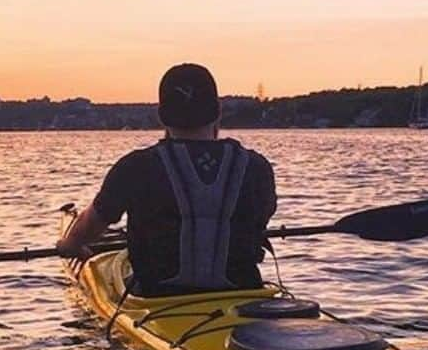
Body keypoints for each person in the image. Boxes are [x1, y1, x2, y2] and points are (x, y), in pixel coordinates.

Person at [57, 63, 277, 295]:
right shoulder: (257, 167)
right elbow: (262, 217)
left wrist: (69, 245)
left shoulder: (135, 167)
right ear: (218, 112)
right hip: (246, 297)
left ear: (161, 116)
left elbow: (91, 225)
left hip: (157, 299)